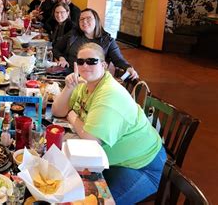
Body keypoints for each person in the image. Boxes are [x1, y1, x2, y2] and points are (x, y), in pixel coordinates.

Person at [52, 43, 165, 204]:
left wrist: (71, 115)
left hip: (141, 166)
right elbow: (57, 111)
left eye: (92, 61)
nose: (85, 65)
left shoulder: (109, 94)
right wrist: (68, 88)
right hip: (107, 160)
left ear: (104, 65)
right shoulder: (84, 85)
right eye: (81, 61)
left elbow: (91, 141)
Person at [53, 8, 139, 79]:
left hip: (93, 79)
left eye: (88, 18)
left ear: (96, 20)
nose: (84, 21)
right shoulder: (73, 34)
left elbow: (118, 60)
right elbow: (56, 48)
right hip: (69, 75)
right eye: (81, 19)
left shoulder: (108, 41)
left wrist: (128, 68)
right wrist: (61, 58)